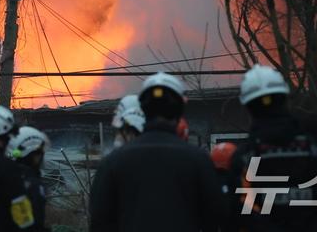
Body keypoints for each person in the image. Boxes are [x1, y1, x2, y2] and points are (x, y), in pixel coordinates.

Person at [89, 72, 225, 232]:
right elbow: (215, 216)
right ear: (180, 110)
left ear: (144, 109)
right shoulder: (198, 159)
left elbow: (99, 220)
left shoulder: (113, 162)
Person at [228, 64, 317, 232]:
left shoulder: (245, 156)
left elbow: (243, 204)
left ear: (248, 107)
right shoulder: (316, 149)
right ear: (284, 98)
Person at [8, 126, 51, 232]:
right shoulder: (31, 184)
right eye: (39, 154)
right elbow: (29, 224)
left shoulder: (6, 177)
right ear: (32, 154)